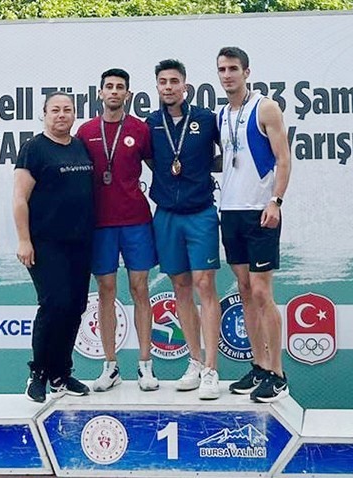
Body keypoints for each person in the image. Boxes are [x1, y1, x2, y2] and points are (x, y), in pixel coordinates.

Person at [216, 47, 292, 403]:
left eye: (233, 68)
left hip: (260, 211)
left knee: (262, 292)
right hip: (230, 211)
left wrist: (276, 201)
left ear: (247, 72)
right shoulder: (221, 114)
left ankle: (278, 373)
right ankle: (259, 365)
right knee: (245, 290)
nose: (227, 75)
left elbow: (283, 158)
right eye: (222, 69)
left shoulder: (265, 107)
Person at [76, 68, 159, 393]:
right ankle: (110, 366)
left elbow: (159, 168)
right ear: (100, 93)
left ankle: (145, 365)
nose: (114, 92)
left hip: (136, 220)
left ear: (128, 94)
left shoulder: (140, 129)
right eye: (108, 87)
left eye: (119, 87)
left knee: (140, 289)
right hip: (100, 224)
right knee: (106, 291)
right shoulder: (86, 131)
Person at [146, 59, 222, 400]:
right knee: (180, 286)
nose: (168, 87)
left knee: (205, 284)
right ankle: (194, 361)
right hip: (166, 214)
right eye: (163, 81)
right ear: (157, 86)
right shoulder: (151, 124)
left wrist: (201, 170)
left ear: (185, 86)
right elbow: (149, 159)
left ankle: (211, 369)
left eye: (174, 81)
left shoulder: (206, 119)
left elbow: (230, 152)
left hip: (201, 212)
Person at [13, 92, 94, 402]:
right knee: (54, 304)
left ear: (74, 114)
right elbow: (19, 198)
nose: (61, 115)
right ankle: (38, 374)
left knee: (75, 307)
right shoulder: (33, 149)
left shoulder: (80, 147)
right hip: (46, 244)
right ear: (44, 115)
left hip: (80, 243)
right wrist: (24, 240)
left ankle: (61, 373)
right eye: (55, 110)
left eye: (67, 110)